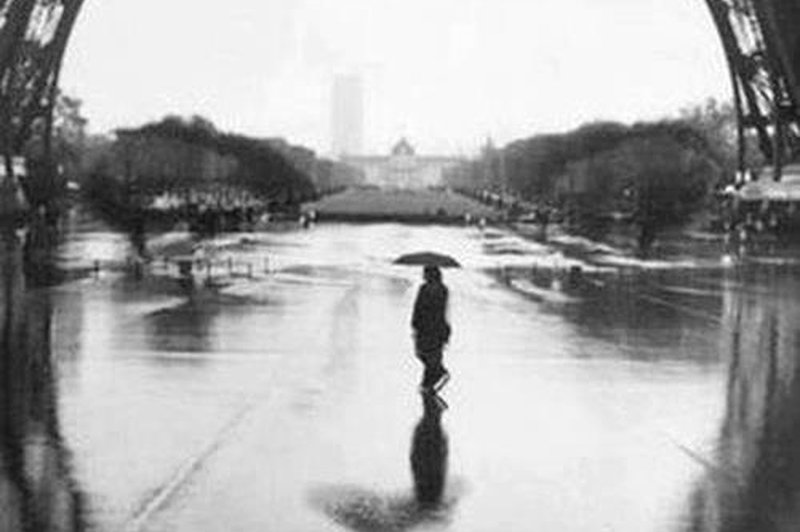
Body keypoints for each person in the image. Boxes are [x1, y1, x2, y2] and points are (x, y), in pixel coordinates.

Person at [411, 265, 451, 390]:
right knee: (427, 354)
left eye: (425, 273)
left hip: (429, 326)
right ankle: (433, 377)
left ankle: (432, 378)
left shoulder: (426, 289)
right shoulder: (442, 289)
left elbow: (418, 307)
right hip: (433, 326)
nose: (423, 275)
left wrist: (415, 322)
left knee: (427, 353)